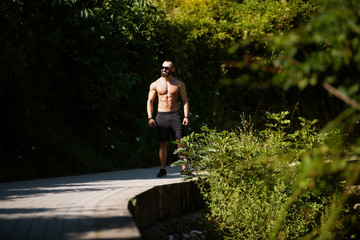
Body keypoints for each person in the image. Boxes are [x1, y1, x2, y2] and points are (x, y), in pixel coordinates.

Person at [147, 60, 190, 177]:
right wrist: (150, 117)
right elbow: (150, 101)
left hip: (175, 114)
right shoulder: (155, 84)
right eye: (162, 67)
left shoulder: (179, 84)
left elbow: (185, 100)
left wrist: (186, 116)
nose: (164, 70)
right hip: (161, 115)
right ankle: (162, 169)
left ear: (172, 70)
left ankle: (184, 168)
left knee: (180, 142)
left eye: (166, 68)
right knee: (162, 143)